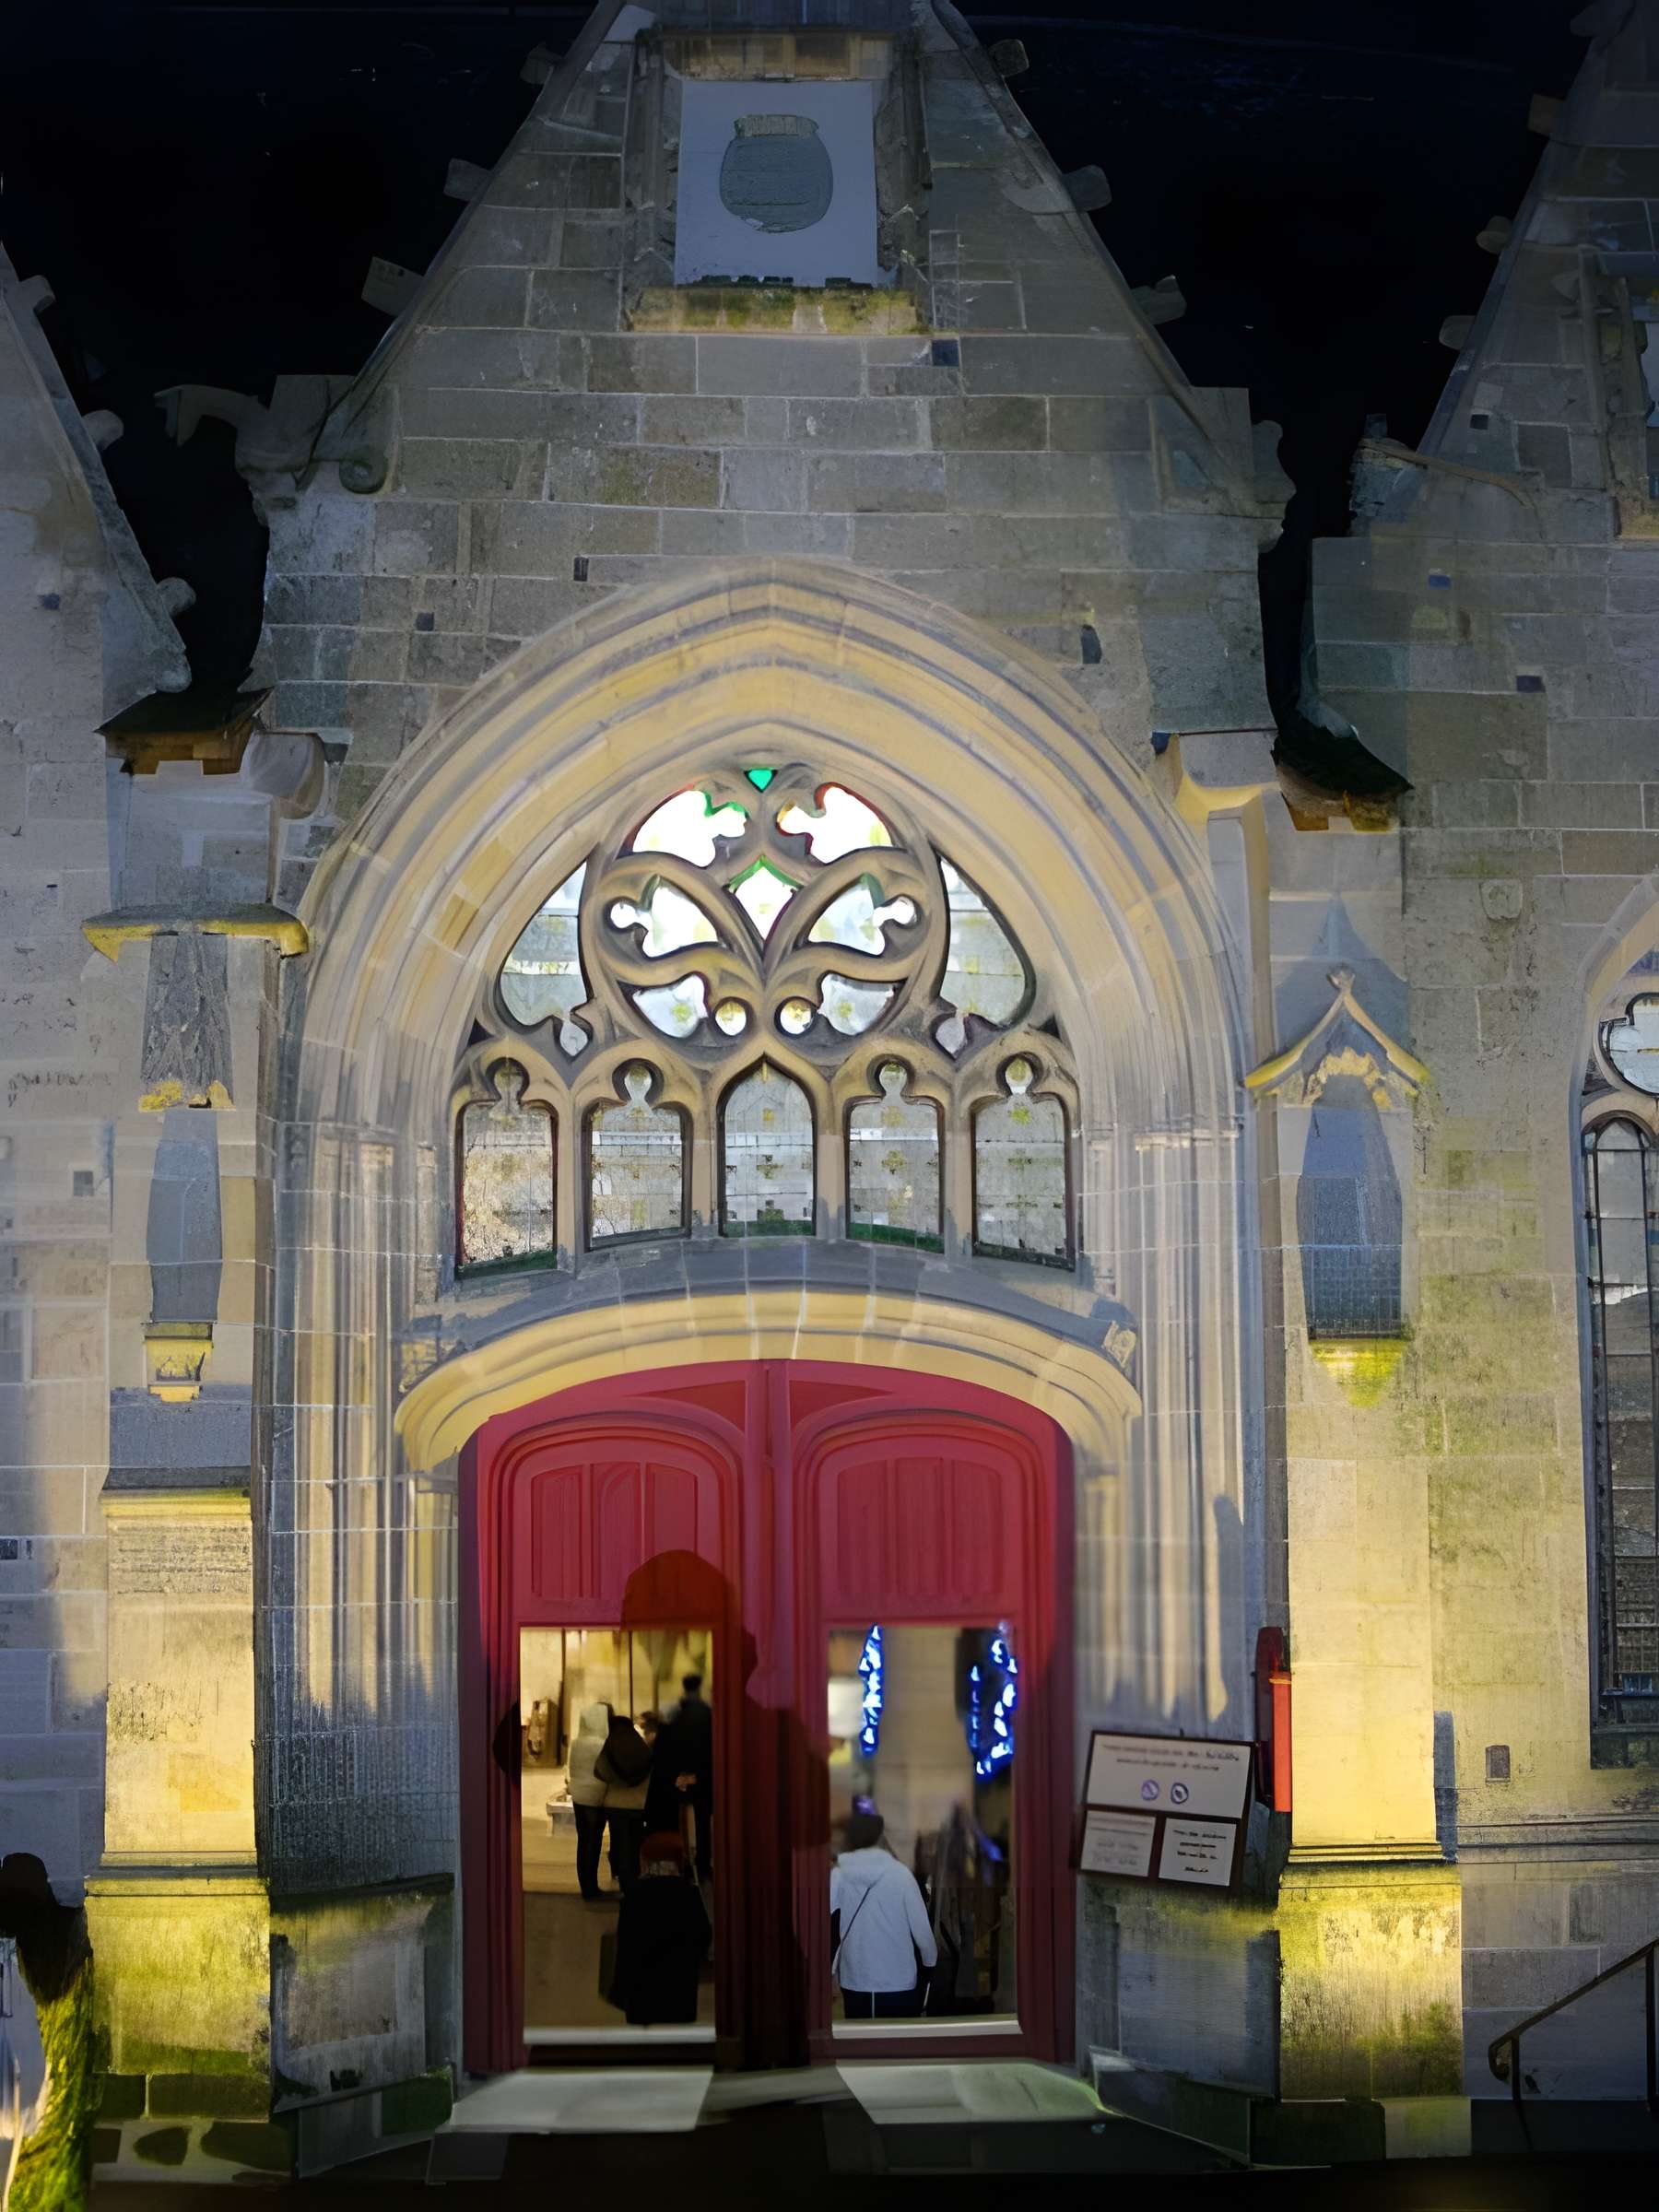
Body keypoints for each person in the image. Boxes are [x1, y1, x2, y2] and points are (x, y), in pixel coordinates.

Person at [830, 1809, 936, 2019]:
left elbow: (825, 1921)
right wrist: (930, 1965)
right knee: (897, 2039)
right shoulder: (901, 1875)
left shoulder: (839, 1874)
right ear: (880, 1837)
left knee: (861, 2039)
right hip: (899, 1982)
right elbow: (922, 1933)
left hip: (855, 1979)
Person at [606, 1830, 712, 2026]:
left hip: (642, 1997)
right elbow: (704, 1936)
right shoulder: (690, 1895)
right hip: (681, 1994)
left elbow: (626, 1949)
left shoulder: (635, 1897)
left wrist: (619, 1991)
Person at [597, 1709, 654, 1892]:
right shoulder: (642, 1748)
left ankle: (624, 1881)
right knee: (635, 1846)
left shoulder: (610, 1746)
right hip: (638, 1805)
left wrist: (616, 1778)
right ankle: (634, 1883)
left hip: (615, 1805)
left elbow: (600, 1771)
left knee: (619, 1844)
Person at [566, 1700, 613, 1901]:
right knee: (593, 1843)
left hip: (579, 1797)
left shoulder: (577, 1743)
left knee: (583, 1841)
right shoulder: (602, 1744)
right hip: (596, 1798)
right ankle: (592, 1888)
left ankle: (585, 1886)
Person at [673, 1672, 713, 1882]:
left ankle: (686, 1862)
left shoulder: (679, 1713)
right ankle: (703, 1862)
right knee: (702, 1819)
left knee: (682, 1819)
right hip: (704, 1773)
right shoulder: (707, 1712)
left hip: (682, 1773)